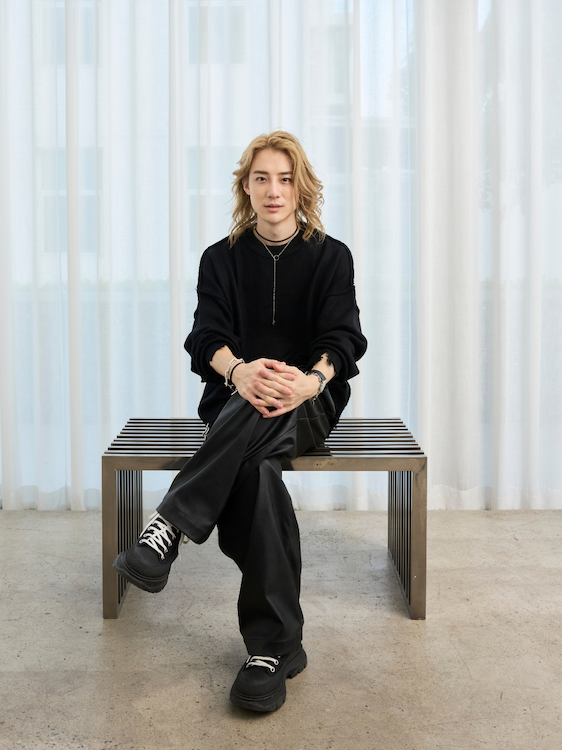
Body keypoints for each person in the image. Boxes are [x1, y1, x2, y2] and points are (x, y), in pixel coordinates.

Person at [114, 131, 367, 712]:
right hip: (233, 403)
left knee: (263, 411)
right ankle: (275, 649)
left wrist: (308, 381)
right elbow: (205, 337)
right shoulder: (219, 258)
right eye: (261, 178)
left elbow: (345, 338)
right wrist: (240, 371)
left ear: (301, 188)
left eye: (285, 179)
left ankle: (171, 524)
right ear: (245, 188)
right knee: (257, 477)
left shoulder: (332, 256)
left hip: (309, 404)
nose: (273, 190)